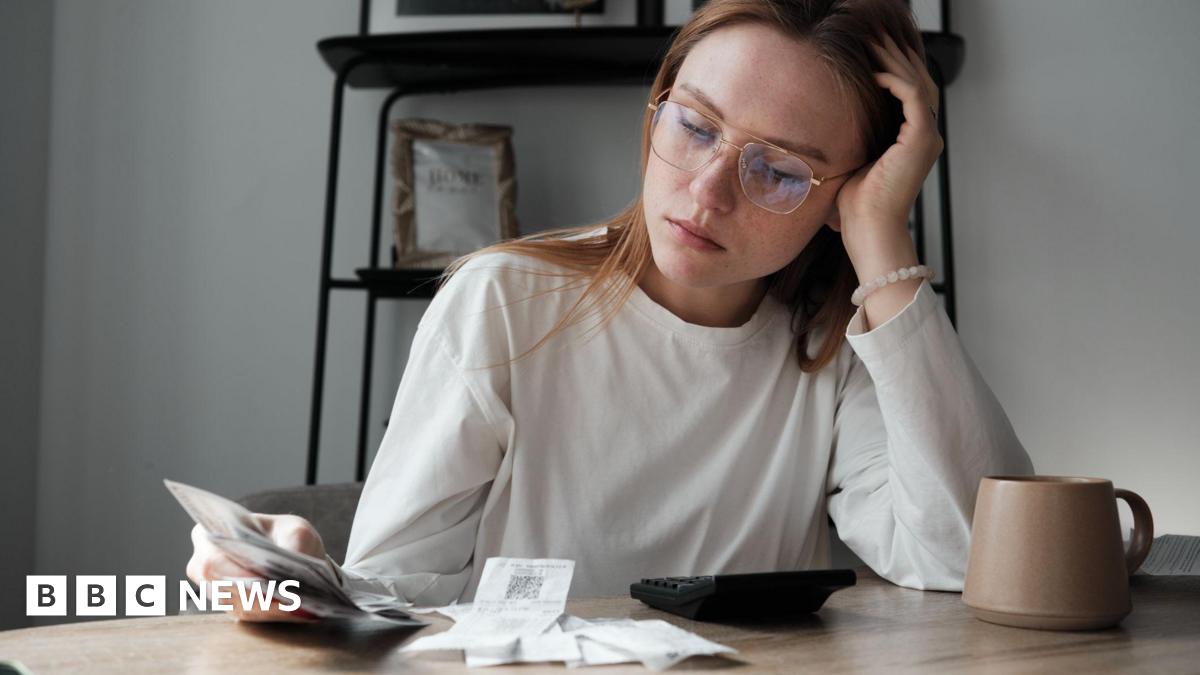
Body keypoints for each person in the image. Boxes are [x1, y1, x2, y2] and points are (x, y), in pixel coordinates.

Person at [188, 0, 1034, 622]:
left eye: (778, 172)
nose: (705, 194)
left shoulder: (835, 349)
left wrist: (882, 243)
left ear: (842, 197)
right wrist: (300, 577)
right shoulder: (504, 305)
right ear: (656, 109)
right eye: (695, 127)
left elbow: (974, 559)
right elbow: (394, 600)